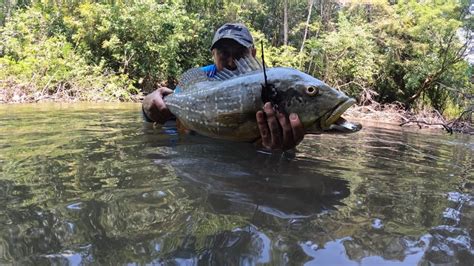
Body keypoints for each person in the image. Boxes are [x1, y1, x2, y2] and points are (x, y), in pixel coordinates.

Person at [142, 23, 304, 151]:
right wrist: (147, 109)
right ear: (213, 55)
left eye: (240, 54)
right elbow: (169, 115)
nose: (232, 62)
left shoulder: (272, 85)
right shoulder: (200, 78)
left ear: (253, 53)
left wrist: (281, 149)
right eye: (224, 54)